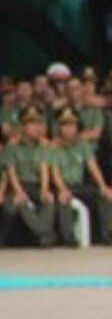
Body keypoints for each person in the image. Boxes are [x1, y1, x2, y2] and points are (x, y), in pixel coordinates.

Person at [48, 107, 112, 245]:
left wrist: (103, 186)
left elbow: (93, 167)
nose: (68, 129)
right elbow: (54, 172)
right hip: (60, 186)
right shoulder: (53, 147)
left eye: (72, 125)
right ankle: (69, 238)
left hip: (79, 185)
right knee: (64, 199)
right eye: (65, 125)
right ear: (59, 128)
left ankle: (108, 234)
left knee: (104, 196)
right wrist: (62, 189)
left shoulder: (82, 145)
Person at [0, 106, 57, 247]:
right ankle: (45, 234)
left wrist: (44, 190)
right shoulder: (12, 147)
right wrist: (19, 191)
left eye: (38, 124)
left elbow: (44, 169)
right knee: (21, 202)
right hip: (17, 185)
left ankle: (43, 235)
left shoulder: (43, 146)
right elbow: (11, 172)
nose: (35, 128)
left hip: (36, 185)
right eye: (31, 124)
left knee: (48, 199)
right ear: (23, 126)